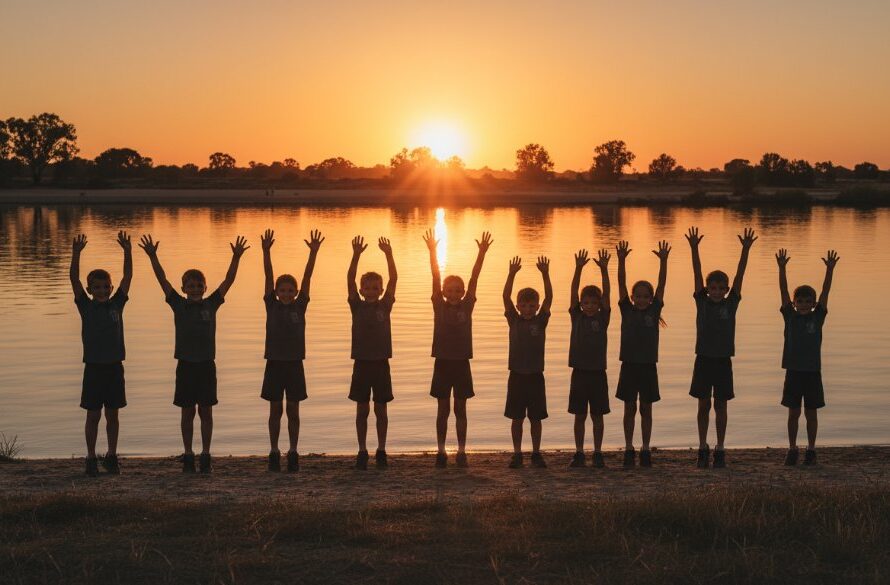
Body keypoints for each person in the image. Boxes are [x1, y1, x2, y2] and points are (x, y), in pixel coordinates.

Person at [139, 234, 249, 473]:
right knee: (187, 412)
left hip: (206, 365)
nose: (195, 289)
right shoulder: (178, 303)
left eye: (199, 285)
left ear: (205, 287)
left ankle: (206, 454)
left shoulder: (211, 303)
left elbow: (229, 280)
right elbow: (162, 279)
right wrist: (153, 256)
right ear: (183, 289)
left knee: (206, 412)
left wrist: (236, 257)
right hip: (186, 365)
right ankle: (188, 454)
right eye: (190, 286)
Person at [685, 227, 756, 468]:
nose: (716, 292)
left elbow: (740, 275)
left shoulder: (731, 303)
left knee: (721, 405)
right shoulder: (702, 302)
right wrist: (694, 248)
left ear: (726, 290)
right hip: (703, 359)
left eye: (720, 288)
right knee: (703, 404)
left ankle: (720, 447)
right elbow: (696, 273)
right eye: (712, 288)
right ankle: (702, 446)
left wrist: (745, 249)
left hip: (723, 360)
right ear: (707, 289)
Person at [423, 229, 492, 468]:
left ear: (463, 293)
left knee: (460, 409)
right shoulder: (439, 305)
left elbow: (474, 277)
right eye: (449, 290)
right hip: (442, 363)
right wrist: (433, 251)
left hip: (462, 363)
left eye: (457, 290)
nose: (453, 294)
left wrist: (481, 253)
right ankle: (441, 451)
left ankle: (461, 452)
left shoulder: (467, 305)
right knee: (443, 410)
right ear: (443, 292)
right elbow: (435, 275)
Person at [260, 228, 323, 473]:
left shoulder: (300, 306)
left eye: (290, 290)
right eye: (282, 290)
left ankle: (293, 451)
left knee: (293, 410)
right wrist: (266, 252)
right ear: (276, 293)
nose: (286, 294)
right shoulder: (271, 305)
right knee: (275, 410)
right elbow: (268, 275)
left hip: (295, 363)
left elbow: (308, 276)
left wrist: (313, 253)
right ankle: (274, 451)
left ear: (295, 293)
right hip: (274, 363)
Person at [70, 231, 132, 476]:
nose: (102, 290)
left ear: (111, 287)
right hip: (94, 368)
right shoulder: (85, 305)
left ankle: (112, 456)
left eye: (106, 286)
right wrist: (76, 254)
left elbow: (128, 276)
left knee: (112, 415)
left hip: (115, 367)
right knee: (93, 415)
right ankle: (90, 457)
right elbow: (73, 279)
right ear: (89, 289)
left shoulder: (117, 303)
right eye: (97, 287)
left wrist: (127, 251)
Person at [776, 248, 839, 466]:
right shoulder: (790, 316)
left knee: (811, 414)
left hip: (812, 373)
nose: (803, 304)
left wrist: (829, 270)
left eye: (807, 301)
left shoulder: (818, 317)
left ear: (813, 304)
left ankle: (811, 450)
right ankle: (792, 448)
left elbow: (825, 291)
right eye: (800, 301)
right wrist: (782, 268)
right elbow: (783, 290)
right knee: (793, 413)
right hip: (793, 372)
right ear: (794, 303)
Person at [616, 239, 669, 467]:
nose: (641, 299)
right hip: (629, 365)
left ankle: (645, 448)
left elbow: (662, 284)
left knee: (646, 408)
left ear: (650, 298)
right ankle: (629, 448)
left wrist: (663, 261)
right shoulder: (626, 310)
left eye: (645, 296)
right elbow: (620, 283)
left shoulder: (654, 309)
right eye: (637, 296)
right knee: (629, 408)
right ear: (632, 297)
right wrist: (621, 260)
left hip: (648, 366)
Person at [347, 235, 397, 470]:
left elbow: (394, 278)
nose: (371, 291)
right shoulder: (356, 305)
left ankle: (381, 450)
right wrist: (356, 255)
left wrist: (389, 254)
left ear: (381, 290)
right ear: (361, 290)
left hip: (381, 364)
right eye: (367, 288)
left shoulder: (385, 305)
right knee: (362, 409)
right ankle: (362, 450)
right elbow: (349, 278)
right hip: (361, 363)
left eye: (375, 288)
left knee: (381, 409)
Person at [502, 255, 553, 469]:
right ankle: (517, 454)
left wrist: (545, 274)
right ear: (518, 306)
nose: (528, 309)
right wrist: (511, 274)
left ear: (537, 307)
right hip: (516, 376)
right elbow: (505, 296)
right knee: (517, 418)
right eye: (524, 306)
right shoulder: (513, 320)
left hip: (535, 377)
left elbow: (549, 297)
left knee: (536, 418)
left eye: (532, 306)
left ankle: (536, 453)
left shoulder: (541, 321)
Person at [567, 248, 611, 468]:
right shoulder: (577, 316)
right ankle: (579, 452)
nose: (589, 306)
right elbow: (573, 292)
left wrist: (604, 269)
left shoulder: (603, 318)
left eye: (593, 303)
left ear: (599, 304)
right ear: (581, 304)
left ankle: (598, 452)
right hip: (579, 372)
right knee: (579, 415)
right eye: (586, 303)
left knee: (597, 415)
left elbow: (608, 294)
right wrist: (578, 269)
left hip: (598, 373)